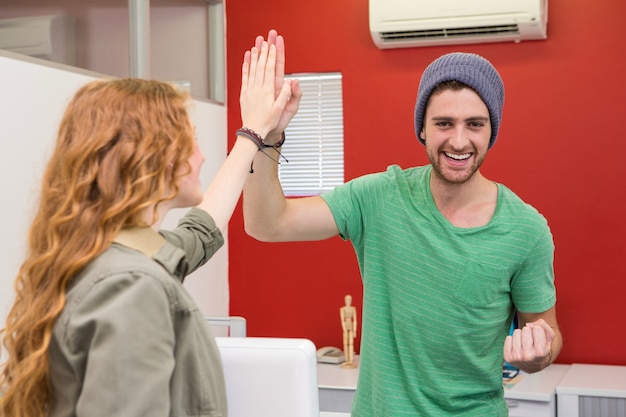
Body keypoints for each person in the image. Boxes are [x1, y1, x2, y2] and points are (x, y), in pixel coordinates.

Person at [243, 39, 562, 416]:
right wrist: (264, 136)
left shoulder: (525, 229)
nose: (459, 141)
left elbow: (548, 334)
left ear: (491, 130)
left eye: (474, 124)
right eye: (444, 123)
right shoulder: (379, 197)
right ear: (422, 129)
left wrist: (537, 353)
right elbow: (267, 223)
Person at [0, 31, 301, 417]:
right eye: (190, 141)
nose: (202, 155)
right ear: (153, 157)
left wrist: (255, 134)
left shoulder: (103, 256)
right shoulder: (132, 288)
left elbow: (200, 231)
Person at [340, 294, 358, 368]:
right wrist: (344, 330)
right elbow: (342, 320)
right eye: (347, 300)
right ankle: (347, 360)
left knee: (351, 344)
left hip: (350, 325)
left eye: (349, 300)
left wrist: (354, 330)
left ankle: (350, 360)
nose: (348, 301)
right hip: (345, 326)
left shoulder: (353, 309)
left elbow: (355, 320)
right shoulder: (342, 309)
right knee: (345, 344)